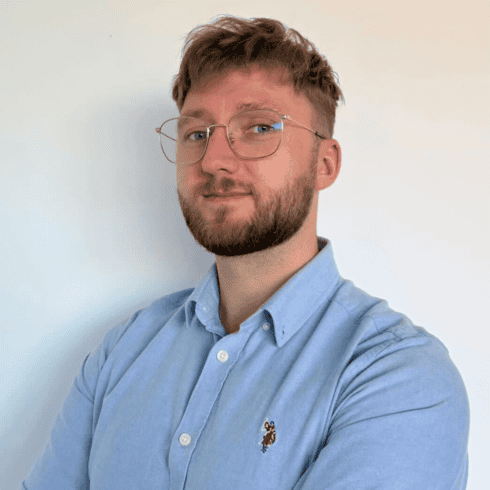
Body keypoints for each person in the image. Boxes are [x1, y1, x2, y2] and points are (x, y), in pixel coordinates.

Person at [22, 15, 469, 490]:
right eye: (196, 133)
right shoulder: (125, 349)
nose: (213, 159)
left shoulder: (398, 376)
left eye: (258, 127)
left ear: (324, 163)